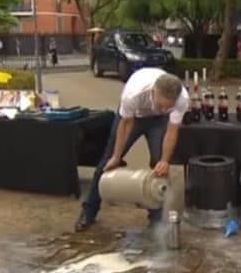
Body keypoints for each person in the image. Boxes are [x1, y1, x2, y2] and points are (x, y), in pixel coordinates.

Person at [75, 67, 189, 232]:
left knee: (159, 166)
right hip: (133, 119)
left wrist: (164, 160)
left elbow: (172, 131)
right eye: (161, 105)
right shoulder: (133, 94)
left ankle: (156, 219)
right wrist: (116, 156)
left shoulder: (182, 98)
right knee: (107, 163)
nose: (164, 109)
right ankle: (88, 212)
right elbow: (125, 124)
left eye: (168, 107)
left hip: (158, 123)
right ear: (153, 93)